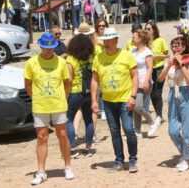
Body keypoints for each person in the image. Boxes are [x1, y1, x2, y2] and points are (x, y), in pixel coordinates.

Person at [24, 33, 74, 185]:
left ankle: (67, 166)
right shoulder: (31, 62)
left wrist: (63, 98)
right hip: (40, 106)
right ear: (40, 46)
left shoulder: (61, 62)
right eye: (46, 48)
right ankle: (41, 171)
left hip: (58, 104)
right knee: (41, 137)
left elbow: (67, 83)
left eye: (51, 48)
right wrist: (38, 98)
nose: (48, 51)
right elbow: (28, 84)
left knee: (63, 134)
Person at [91, 27, 139, 173]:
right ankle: (119, 160)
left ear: (116, 40)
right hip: (108, 101)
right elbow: (95, 80)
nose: (106, 43)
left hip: (125, 99)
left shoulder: (126, 56)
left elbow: (135, 76)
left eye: (109, 40)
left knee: (129, 129)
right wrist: (94, 100)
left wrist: (133, 96)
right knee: (114, 131)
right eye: (105, 40)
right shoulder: (98, 58)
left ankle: (132, 159)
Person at [158, 36, 189, 172]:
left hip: (186, 93)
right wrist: (169, 65)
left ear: (184, 47)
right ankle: (185, 153)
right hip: (172, 94)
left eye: (177, 46)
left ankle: (186, 158)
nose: (175, 49)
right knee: (173, 130)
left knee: (187, 130)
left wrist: (181, 64)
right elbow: (160, 78)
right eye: (173, 46)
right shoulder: (168, 61)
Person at [66, 33, 95, 158]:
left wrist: (65, 95)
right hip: (88, 93)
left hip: (75, 92)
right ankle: (88, 148)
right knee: (88, 119)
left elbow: (69, 79)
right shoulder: (91, 58)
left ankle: (73, 148)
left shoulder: (71, 59)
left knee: (68, 119)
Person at [145, 21, 168, 135]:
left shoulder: (161, 40)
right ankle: (159, 115)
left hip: (159, 68)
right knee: (151, 93)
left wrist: (156, 56)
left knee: (157, 93)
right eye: (146, 29)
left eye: (149, 29)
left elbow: (167, 55)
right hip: (149, 69)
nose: (147, 31)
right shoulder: (145, 42)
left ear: (154, 29)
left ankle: (159, 115)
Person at [130, 29, 154, 138]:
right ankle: (138, 131)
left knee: (137, 107)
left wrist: (146, 81)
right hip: (134, 83)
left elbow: (150, 68)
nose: (132, 38)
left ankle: (152, 122)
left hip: (144, 81)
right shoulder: (133, 51)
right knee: (135, 106)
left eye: (134, 36)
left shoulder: (147, 52)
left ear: (140, 39)